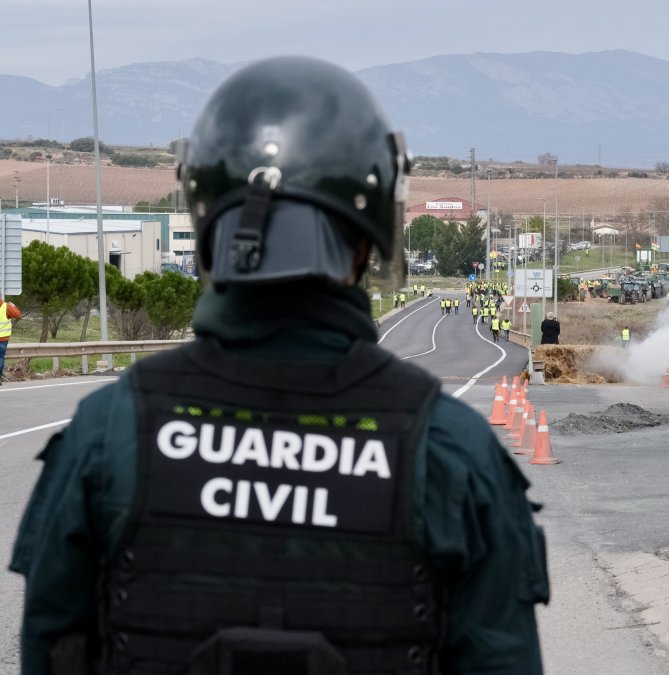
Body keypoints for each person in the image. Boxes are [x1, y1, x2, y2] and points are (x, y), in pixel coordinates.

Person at [9, 57, 548, 675]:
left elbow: (50, 648)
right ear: (368, 238)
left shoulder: (105, 434)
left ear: (208, 222)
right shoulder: (455, 454)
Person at [0, 294, 21, 384]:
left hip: (3, 339)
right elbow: (18, 315)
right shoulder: (6, 307)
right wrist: (13, 306)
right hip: (3, 339)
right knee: (0, 358)